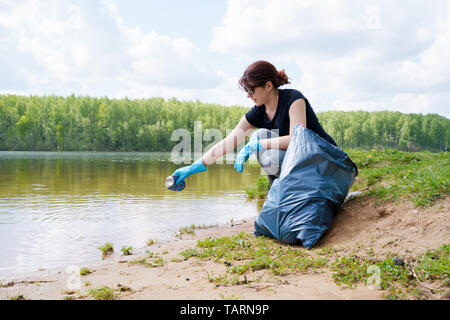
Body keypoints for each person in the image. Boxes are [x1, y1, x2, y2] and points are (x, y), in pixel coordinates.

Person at [169, 60, 337, 188]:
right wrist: (194, 167)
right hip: (301, 164)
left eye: (251, 90)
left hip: (325, 160)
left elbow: (298, 139)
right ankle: (279, 192)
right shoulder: (258, 111)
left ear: (268, 86)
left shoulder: (294, 99)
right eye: (246, 91)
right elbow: (228, 141)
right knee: (259, 135)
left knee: (263, 144)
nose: (248, 95)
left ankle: (290, 192)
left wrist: (256, 145)